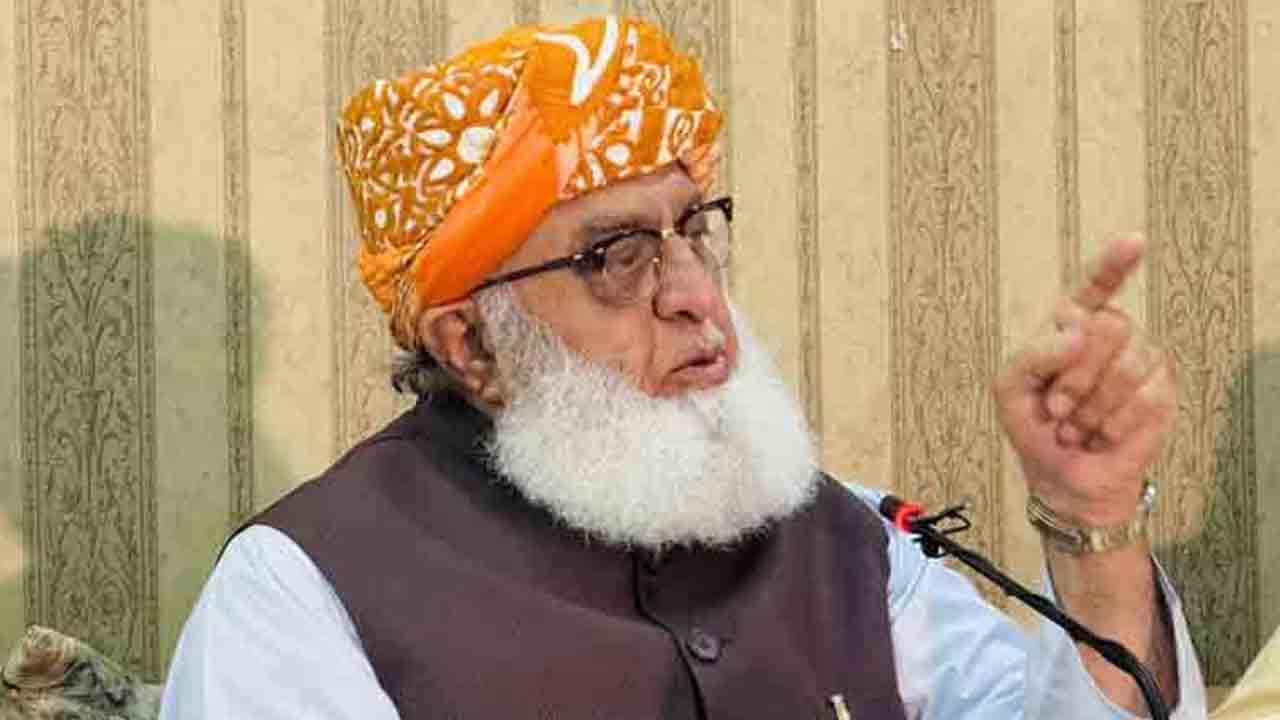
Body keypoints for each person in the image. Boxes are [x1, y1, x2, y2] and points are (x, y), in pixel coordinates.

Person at [159, 15, 1207, 719]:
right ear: (470, 344)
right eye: (615, 257)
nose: (696, 294)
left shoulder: (846, 542)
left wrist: (1093, 525)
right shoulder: (303, 594)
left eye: (693, 230)